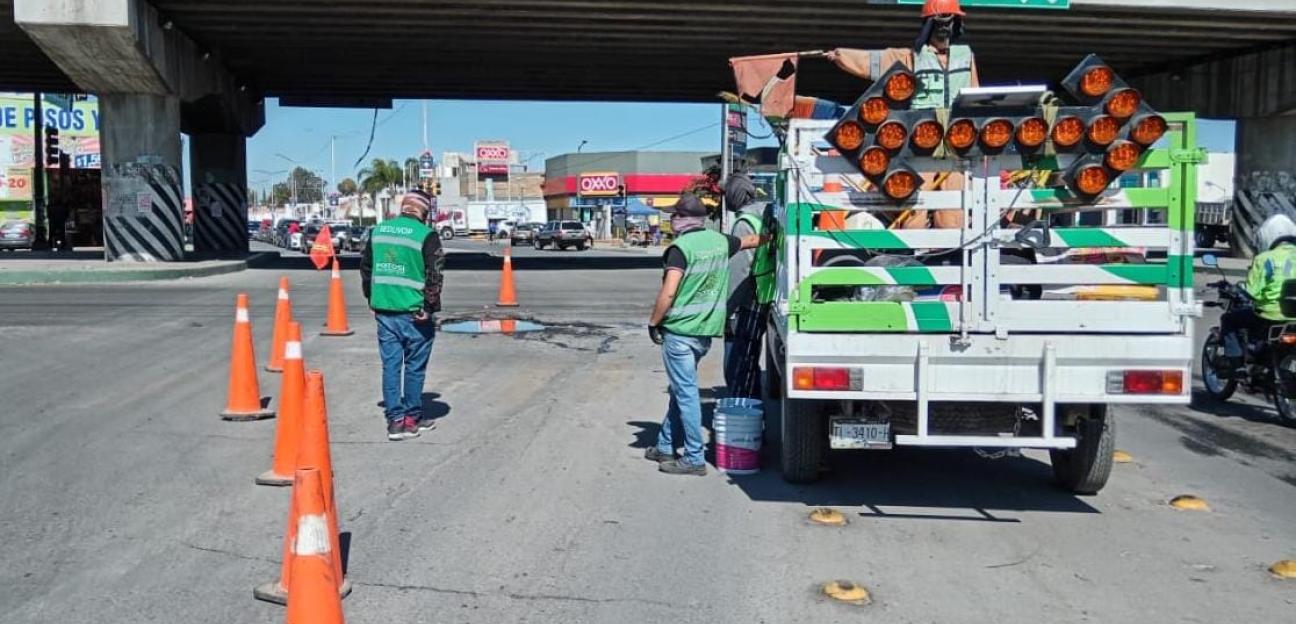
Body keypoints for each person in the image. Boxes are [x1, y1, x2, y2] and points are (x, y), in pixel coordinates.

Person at [822, 0, 978, 228]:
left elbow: (976, 97)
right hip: (920, 145)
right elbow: (872, 61)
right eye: (941, 23)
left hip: (955, 150)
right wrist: (840, 55)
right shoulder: (911, 57)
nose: (945, 29)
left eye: (950, 22)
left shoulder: (966, 58)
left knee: (953, 210)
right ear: (928, 26)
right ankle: (911, 255)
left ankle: (950, 255)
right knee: (912, 207)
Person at [647, 194, 766, 476]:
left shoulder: (680, 249)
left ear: (684, 219)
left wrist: (654, 322)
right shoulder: (720, 241)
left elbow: (669, 292)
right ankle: (664, 444)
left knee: (686, 394)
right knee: (681, 389)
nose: (672, 220)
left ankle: (693, 458)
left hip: (679, 332)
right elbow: (752, 241)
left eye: (675, 215)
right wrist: (774, 235)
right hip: (704, 334)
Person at [360, 190, 446, 441]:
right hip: (415, 314)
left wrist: (371, 298)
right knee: (414, 367)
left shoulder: (378, 231)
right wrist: (429, 308)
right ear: (424, 212)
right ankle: (411, 419)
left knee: (391, 366)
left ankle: (395, 420)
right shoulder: (426, 236)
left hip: (385, 310)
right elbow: (435, 275)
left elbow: (366, 268)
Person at [722, 174, 777, 399]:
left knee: (740, 364)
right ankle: (751, 406)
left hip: (751, 297)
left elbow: (739, 272)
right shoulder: (766, 213)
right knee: (750, 357)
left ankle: (745, 412)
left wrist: (726, 311)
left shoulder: (745, 223)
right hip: (767, 291)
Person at [1220, 214, 1296, 370]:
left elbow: (1251, 291)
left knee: (1229, 319)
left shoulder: (1265, 259)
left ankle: (1236, 365)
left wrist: (1235, 290)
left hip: (1271, 314)